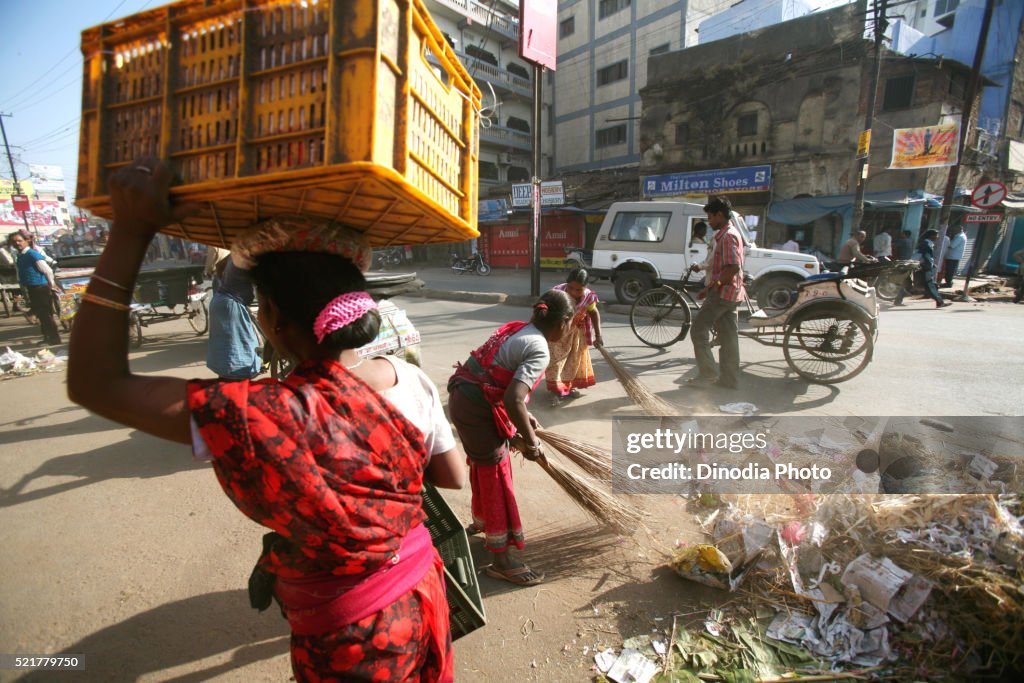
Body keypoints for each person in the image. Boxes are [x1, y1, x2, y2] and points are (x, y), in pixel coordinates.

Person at [66, 159, 456, 682]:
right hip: (418, 591)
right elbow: (450, 476)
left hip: (353, 639)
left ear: (272, 318)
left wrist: (131, 230)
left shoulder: (260, 414)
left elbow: (96, 384)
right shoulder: (411, 380)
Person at [447, 289, 574, 586]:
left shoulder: (521, 329)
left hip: (465, 400)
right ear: (565, 321)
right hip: (476, 407)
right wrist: (531, 443)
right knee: (497, 474)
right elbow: (514, 397)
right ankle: (502, 560)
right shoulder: (539, 347)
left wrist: (522, 419)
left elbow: (499, 379)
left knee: (484, 464)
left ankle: (482, 522)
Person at [688, 196, 745, 389]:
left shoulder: (727, 237)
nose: (710, 222)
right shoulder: (728, 234)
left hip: (723, 294)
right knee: (729, 338)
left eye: (711, 218)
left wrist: (714, 286)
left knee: (697, 330)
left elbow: (732, 268)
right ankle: (729, 380)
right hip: (732, 294)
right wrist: (709, 286)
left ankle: (707, 374)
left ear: (720, 215)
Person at [547, 268, 603, 407]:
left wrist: (598, 335)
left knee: (573, 362)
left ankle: (567, 387)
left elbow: (594, 313)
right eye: (570, 288)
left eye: (578, 290)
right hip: (558, 333)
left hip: (576, 333)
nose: (573, 292)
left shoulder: (589, 297)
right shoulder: (557, 293)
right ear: (566, 284)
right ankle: (555, 391)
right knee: (555, 361)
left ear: (585, 287)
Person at [206, 251, 263, 380]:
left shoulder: (239, 251)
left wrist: (228, 283)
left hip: (221, 300)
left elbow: (220, 266)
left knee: (229, 349)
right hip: (231, 305)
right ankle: (235, 388)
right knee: (238, 350)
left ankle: (229, 385)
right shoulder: (253, 255)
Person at [8, 231, 62, 346]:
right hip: (31, 287)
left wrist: (52, 284)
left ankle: (54, 338)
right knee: (42, 315)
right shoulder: (20, 255)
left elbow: (47, 270)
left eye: (19, 240)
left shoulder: (32, 254)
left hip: (40, 287)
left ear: (26, 241)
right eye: (14, 242)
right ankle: (47, 337)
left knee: (46, 314)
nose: (17, 243)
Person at [894, 229, 951, 309]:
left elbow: (924, 256)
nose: (937, 237)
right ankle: (940, 302)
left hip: (921, 266)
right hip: (924, 268)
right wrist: (925, 264)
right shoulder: (926, 244)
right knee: (930, 285)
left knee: (914, 285)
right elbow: (921, 256)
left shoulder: (926, 243)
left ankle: (898, 300)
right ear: (931, 236)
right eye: (936, 235)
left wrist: (931, 264)